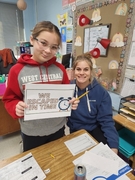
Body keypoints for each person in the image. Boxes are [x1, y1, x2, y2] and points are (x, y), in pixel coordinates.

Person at [2, 21, 79, 152]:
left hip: (58, 129)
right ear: (32, 39)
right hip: (31, 133)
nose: (48, 50)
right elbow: (10, 99)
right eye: (43, 43)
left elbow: (67, 95)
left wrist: (72, 102)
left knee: (57, 161)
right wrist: (16, 107)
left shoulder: (60, 69)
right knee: (35, 165)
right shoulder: (17, 70)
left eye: (54, 47)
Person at [67, 53, 119, 154]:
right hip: (75, 131)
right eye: (78, 69)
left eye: (86, 69)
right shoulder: (67, 89)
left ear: (91, 71)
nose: (82, 73)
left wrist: (114, 146)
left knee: (105, 156)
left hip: (94, 129)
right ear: (73, 71)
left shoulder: (101, 92)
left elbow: (107, 121)